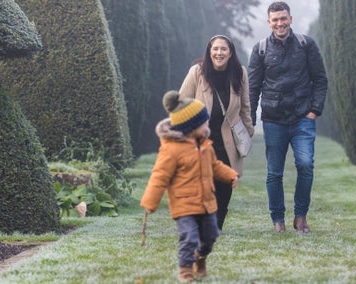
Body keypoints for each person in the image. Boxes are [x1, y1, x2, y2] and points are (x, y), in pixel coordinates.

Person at [140, 90, 239, 282]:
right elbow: (159, 176)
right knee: (189, 237)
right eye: (204, 122)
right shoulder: (171, 149)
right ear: (191, 126)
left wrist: (230, 175)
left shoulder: (205, 145)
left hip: (207, 202)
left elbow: (215, 165)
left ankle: (200, 258)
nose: (207, 125)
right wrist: (150, 202)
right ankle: (185, 269)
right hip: (184, 205)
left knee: (211, 235)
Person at [247, 1, 328, 233]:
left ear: (290, 19)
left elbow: (320, 79)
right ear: (269, 22)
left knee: (305, 165)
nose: (280, 23)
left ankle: (300, 217)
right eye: (275, 19)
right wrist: (250, 120)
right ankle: (278, 220)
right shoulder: (260, 49)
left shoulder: (306, 45)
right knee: (274, 172)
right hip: (273, 120)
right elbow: (253, 89)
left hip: (303, 117)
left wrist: (314, 110)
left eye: (283, 18)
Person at [179, 35, 254, 231]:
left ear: (230, 53)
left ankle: (218, 221)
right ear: (209, 51)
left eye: (223, 49)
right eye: (215, 49)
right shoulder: (197, 72)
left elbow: (245, 105)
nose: (219, 53)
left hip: (227, 138)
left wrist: (249, 130)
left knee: (225, 183)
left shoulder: (240, 73)